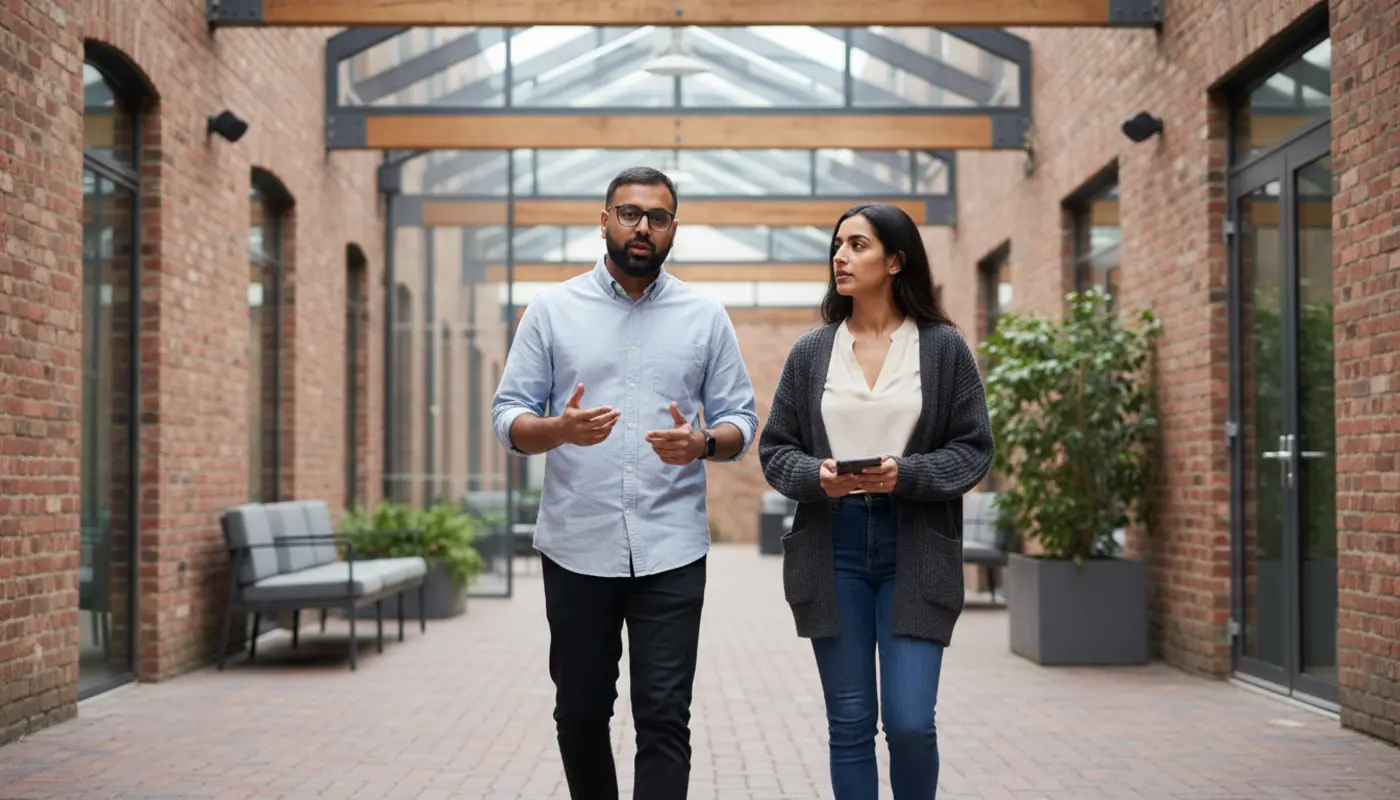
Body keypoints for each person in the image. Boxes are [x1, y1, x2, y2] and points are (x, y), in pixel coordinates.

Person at [490, 166, 759, 800]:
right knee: (580, 713)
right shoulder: (552, 310)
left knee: (665, 717)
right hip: (578, 544)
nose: (643, 227)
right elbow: (508, 417)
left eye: (658, 217)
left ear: (673, 230)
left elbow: (740, 419)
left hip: (671, 545)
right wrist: (559, 429)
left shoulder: (705, 315)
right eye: (630, 213)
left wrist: (702, 443)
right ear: (604, 219)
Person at [756, 203, 994, 799]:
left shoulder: (943, 349)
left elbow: (973, 450)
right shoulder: (812, 352)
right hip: (831, 545)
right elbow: (776, 449)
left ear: (894, 260)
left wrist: (904, 473)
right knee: (851, 725)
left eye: (858, 245)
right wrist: (819, 476)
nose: (840, 256)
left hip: (913, 545)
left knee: (911, 724)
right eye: (837, 245)